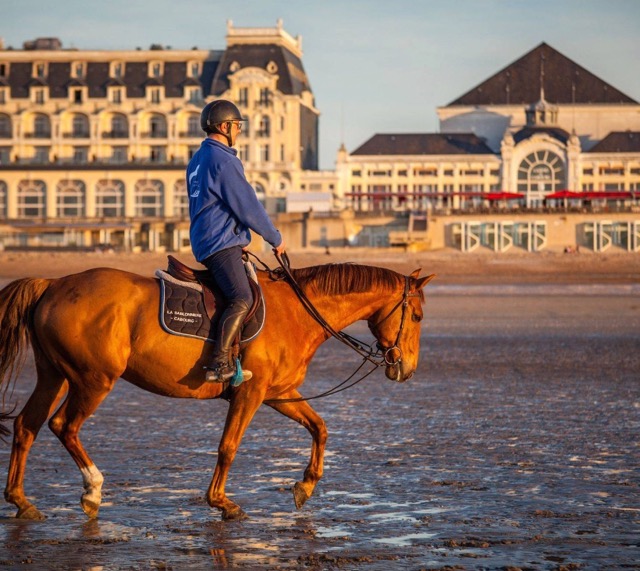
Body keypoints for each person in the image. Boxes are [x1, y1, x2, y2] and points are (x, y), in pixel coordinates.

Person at [187, 100, 286, 383]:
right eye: (238, 126)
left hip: (208, 239)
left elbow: (214, 205)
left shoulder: (198, 159)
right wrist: (274, 238)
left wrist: (237, 233)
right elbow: (247, 205)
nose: (239, 131)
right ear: (225, 126)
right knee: (242, 297)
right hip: (219, 243)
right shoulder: (224, 159)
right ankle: (220, 363)